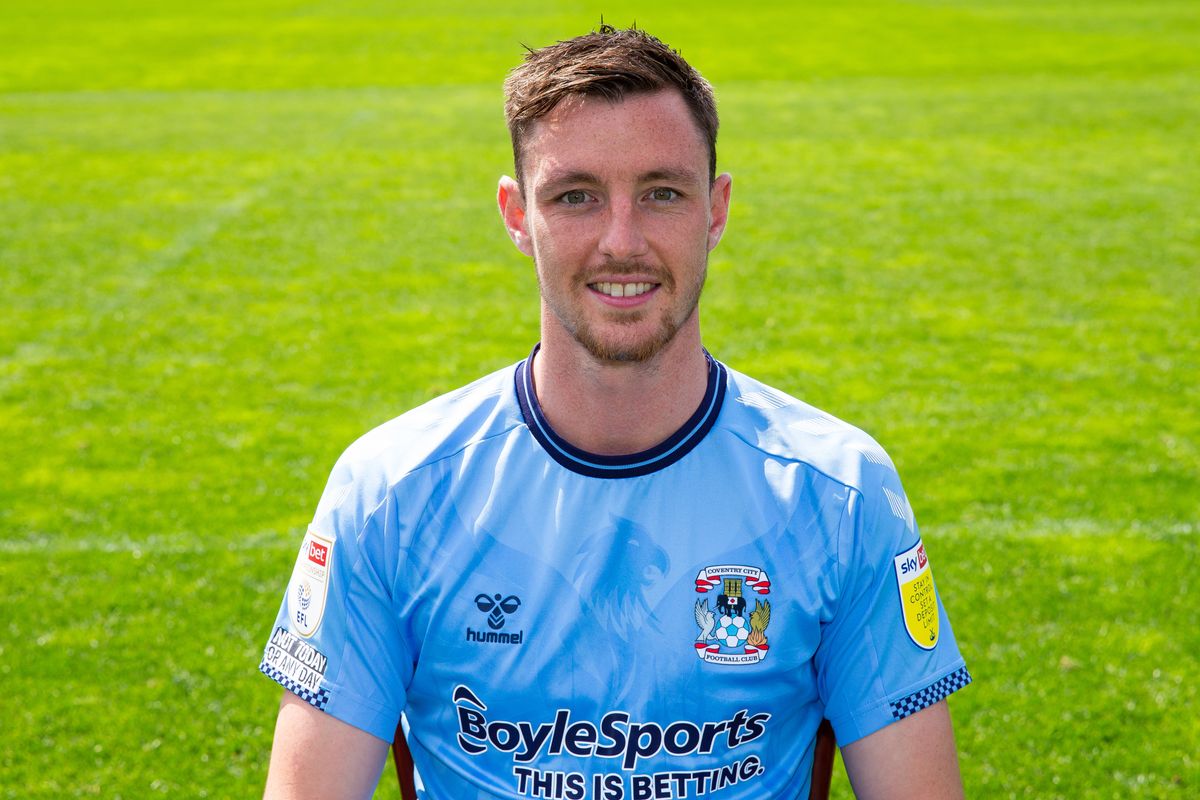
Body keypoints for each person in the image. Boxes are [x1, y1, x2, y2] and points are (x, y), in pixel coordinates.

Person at [260, 24, 970, 800]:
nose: (620, 242)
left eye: (662, 193)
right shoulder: (389, 492)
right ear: (517, 215)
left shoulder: (839, 491)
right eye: (576, 197)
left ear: (717, 209)